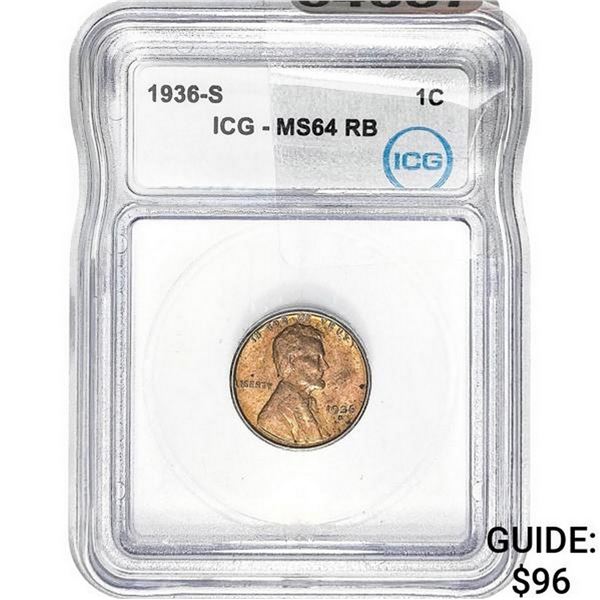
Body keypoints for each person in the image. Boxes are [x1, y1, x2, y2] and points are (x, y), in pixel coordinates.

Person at [257, 323, 329, 445]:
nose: (325, 366)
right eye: (315, 358)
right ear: (292, 360)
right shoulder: (272, 418)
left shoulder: (309, 404)